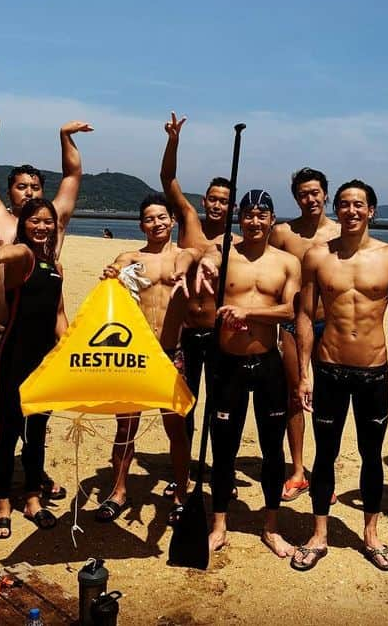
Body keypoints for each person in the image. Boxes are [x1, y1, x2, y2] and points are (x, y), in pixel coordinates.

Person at [0, 108, 91, 508]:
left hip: (40, 334)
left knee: (36, 410)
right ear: (9, 191)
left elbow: (73, 177)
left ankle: (34, 477)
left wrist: (66, 136)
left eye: (35, 186)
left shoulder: (53, 222)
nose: (29, 192)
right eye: (20, 186)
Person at [292, 180, 388, 572]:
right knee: (324, 454)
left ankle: (371, 534)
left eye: (358, 204)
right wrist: (304, 372)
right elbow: (306, 316)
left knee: (371, 455)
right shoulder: (317, 257)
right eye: (344, 204)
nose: (351, 211)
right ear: (337, 209)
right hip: (329, 368)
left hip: (373, 371)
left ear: (371, 210)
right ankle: (319, 534)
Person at [189, 189, 301, 557]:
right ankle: (219, 525)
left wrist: (247, 313)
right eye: (249, 214)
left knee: (272, 450)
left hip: (267, 362)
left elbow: (288, 312)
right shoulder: (224, 254)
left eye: (262, 215)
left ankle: (271, 526)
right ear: (240, 218)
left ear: (272, 220)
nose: (255, 221)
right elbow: (203, 257)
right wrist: (204, 263)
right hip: (228, 364)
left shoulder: (286, 262)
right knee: (224, 449)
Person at [0, 198, 68, 539]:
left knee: (36, 434)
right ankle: (4, 504)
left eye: (47, 222)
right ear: (24, 224)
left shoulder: (56, 266)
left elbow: (58, 315)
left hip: (44, 360)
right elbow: (12, 253)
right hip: (14, 355)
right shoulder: (22, 255)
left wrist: (69, 351)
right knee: (8, 432)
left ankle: (33, 499)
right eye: (35, 221)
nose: (42, 227)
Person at [96, 193, 192, 524]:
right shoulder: (129, 257)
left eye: (162, 217)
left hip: (170, 354)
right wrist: (110, 274)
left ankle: (181, 491)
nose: (157, 223)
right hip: (135, 355)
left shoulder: (184, 255)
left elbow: (195, 257)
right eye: (150, 219)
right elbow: (114, 277)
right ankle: (118, 490)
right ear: (141, 225)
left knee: (176, 428)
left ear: (173, 221)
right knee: (125, 426)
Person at [159, 112, 238, 488]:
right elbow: (168, 180)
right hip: (187, 332)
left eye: (225, 201)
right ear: (204, 200)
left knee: (221, 407)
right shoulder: (189, 220)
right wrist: (173, 141)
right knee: (184, 402)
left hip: (221, 335)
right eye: (213, 199)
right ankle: (184, 468)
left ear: (232, 206)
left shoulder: (238, 243)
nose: (218, 206)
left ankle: (221, 467)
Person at [269, 167, 340, 502]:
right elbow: (265, 266)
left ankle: (324, 472)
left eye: (315, 192)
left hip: (332, 324)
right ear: (295, 197)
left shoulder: (342, 232)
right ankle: (297, 471)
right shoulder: (283, 233)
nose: (309, 199)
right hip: (292, 324)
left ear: (325, 193)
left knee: (329, 399)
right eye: (302, 194)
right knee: (295, 396)